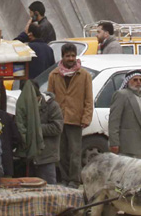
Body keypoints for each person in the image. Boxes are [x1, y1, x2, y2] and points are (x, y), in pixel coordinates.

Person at [46, 42, 92, 185]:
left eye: (73, 56)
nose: (71, 58)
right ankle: (65, 178)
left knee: (75, 152)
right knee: (61, 152)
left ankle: (74, 179)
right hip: (59, 120)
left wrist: (86, 117)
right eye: (68, 56)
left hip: (75, 119)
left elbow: (88, 99)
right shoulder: (53, 75)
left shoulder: (84, 75)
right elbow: (49, 98)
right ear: (63, 57)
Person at [109, 70, 141, 159]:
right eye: (135, 80)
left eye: (140, 80)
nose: (138, 82)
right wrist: (114, 143)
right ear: (128, 81)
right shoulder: (121, 95)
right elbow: (114, 121)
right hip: (128, 146)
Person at [29, 91, 63, 184]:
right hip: (30, 157)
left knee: (50, 191)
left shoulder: (52, 106)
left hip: (47, 156)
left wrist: (36, 128)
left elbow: (57, 128)